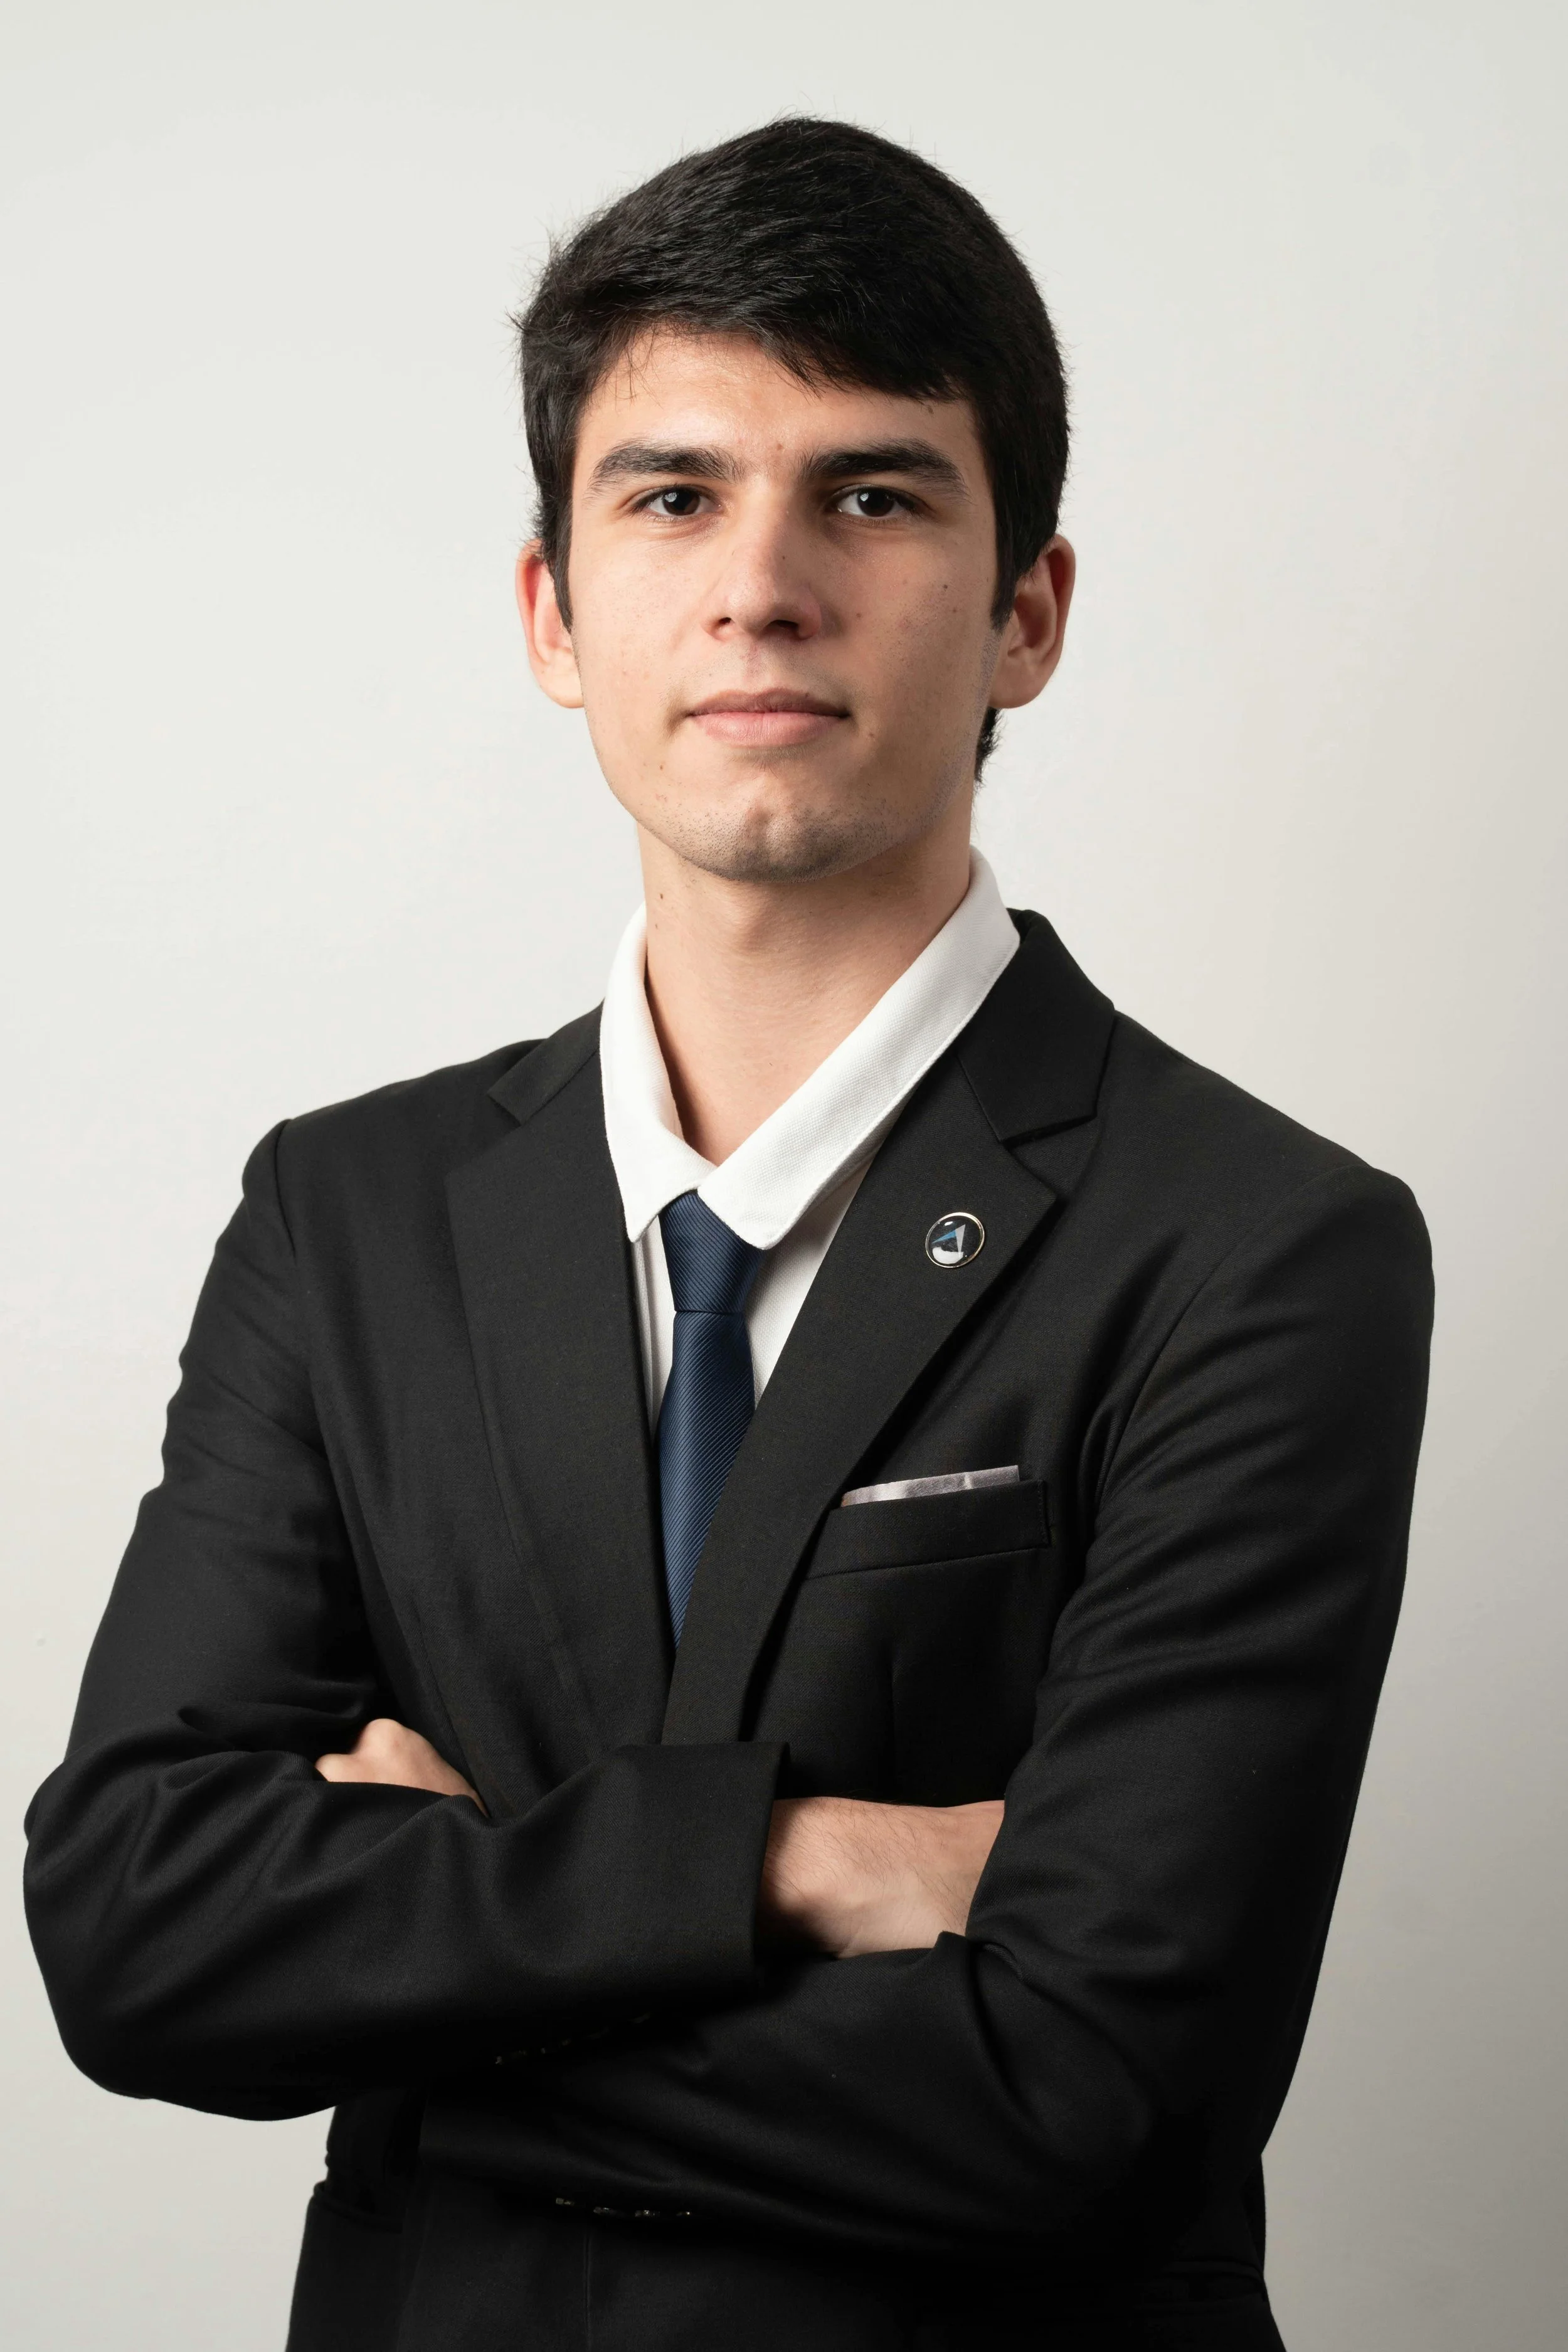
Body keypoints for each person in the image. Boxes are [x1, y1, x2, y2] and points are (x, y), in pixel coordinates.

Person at [23, 118, 1432, 2352]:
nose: (760, 581)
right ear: (552, 611)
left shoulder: (1262, 1248)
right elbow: (133, 1931)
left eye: (870, 496)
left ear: (1027, 612)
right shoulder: (344, 1212)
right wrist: (790, 1857)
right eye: (671, 496)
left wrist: (414, 1956)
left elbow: (1083, 2090)